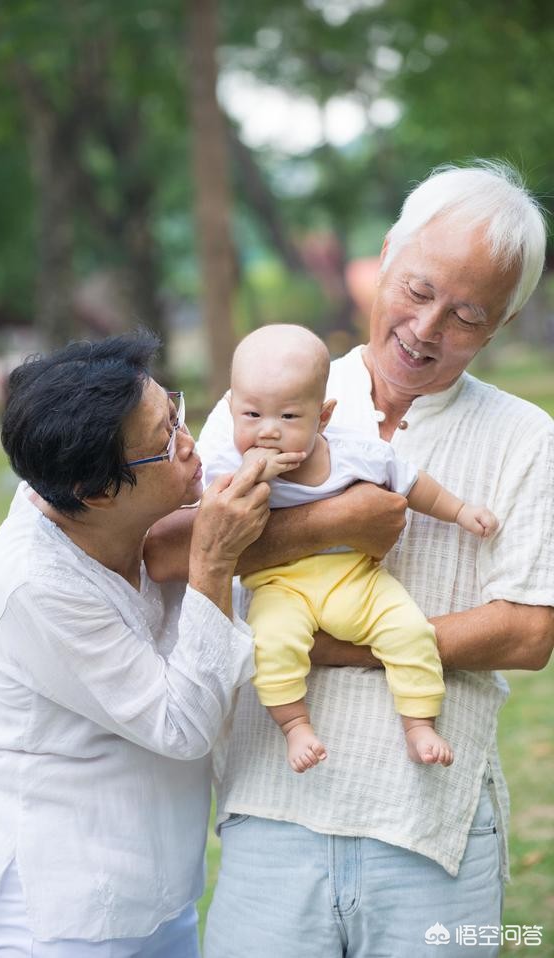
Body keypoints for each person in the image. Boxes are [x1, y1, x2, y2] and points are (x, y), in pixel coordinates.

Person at [145, 161, 554, 957]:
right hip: (273, 809)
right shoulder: (273, 391)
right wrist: (340, 521)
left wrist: (331, 647)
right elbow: (166, 548)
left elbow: (530, 632)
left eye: (468, 314)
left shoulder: (526, 438)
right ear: (388, 254)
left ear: (501, 325)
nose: (428, 328)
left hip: (433, 826)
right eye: (418, 288)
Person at [0, 332, 272, 957]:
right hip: (61, 912)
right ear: (98, 491)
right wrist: (210, 561)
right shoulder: (33, 583)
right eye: (164, 442)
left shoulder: (130, 504)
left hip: (160, 888)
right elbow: (180, 724)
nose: (188, 443)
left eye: (175, 413)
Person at [207, 322, 498, 773]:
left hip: (355, 579)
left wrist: (460, 511)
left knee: (410, 630)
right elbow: (211, 518)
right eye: (251, 416)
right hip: (278, 585)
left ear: (322, 417)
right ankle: (294, 725)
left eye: (288, 417)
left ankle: (418, 723)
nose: (267, 432)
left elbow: (413, 483)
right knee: (269, 642)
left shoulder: (352, 453)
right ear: (232, 410)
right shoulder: (228, 464)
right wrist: (250, 478)